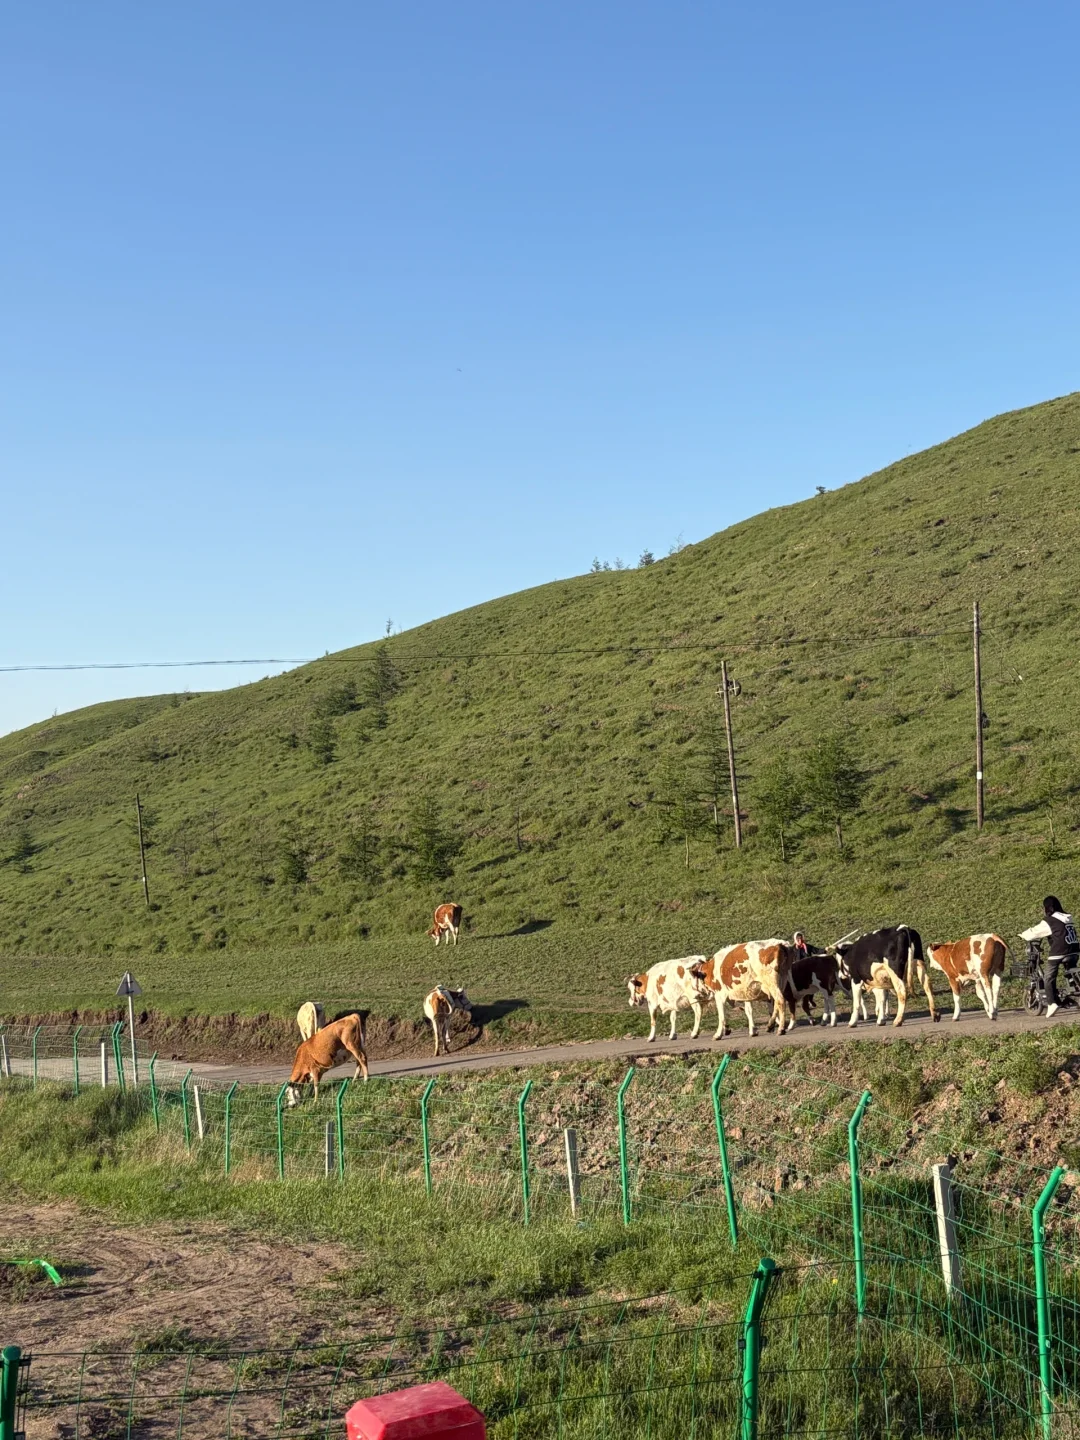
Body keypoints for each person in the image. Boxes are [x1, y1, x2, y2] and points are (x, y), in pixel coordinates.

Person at [1020, 896, 1079, 1017]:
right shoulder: (1068, 917)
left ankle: (1052, 1003)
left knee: (1048, 977)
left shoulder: (1050, 920)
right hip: (1074, 950)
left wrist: (1022, 935)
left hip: (1060, 951)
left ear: (1047, 908)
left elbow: (1034, 932)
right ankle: (1073, 993)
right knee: (1070, 972)